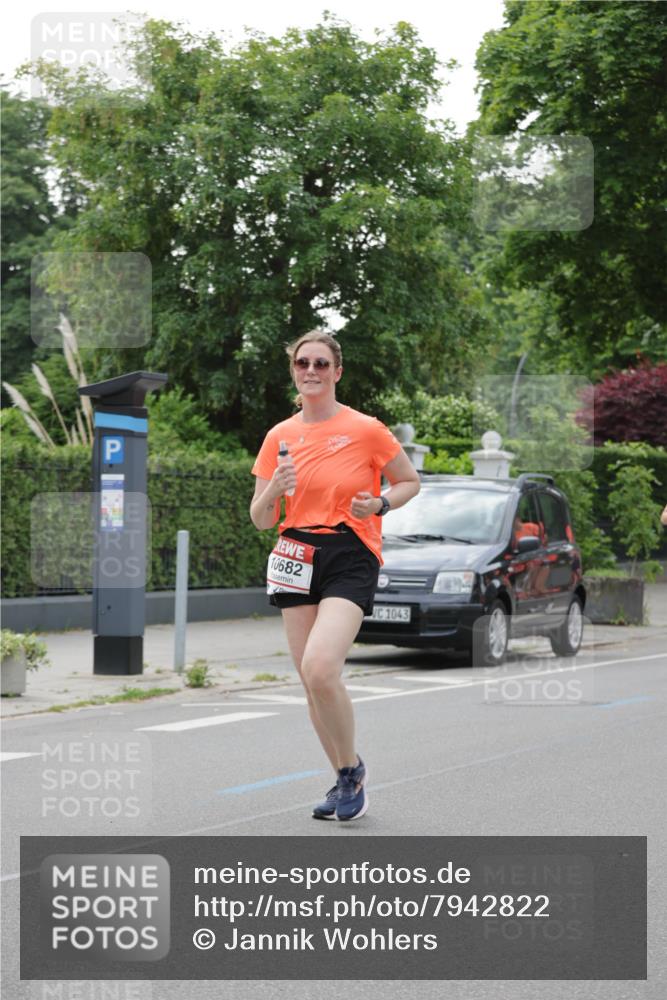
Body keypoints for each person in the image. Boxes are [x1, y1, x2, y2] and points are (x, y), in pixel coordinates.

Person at [249, 330, 420, 821]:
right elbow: (261, 518)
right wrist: (273, 490)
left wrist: (381, 502)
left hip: (350, 551)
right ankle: (347, 774)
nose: (311, 371)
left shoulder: (366, 429)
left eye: (321, 363)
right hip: (294, 551)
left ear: (337, 371)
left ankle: (350, 774)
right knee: (310, 681)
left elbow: (409, 481)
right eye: (303, 363)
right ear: (293, 371)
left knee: (322, 668)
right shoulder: (277, 437)